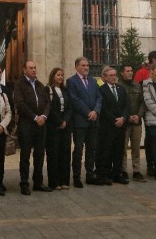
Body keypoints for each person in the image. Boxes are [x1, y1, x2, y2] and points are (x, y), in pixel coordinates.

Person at [12, 60, 52, 194]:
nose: (34, 70)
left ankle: (38, 182)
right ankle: (24, 183)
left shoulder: (40, 85)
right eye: (31, 68)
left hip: (41, 125)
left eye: (35, 68)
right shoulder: (19, 84)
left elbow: (47, 102)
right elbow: (20, 103)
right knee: (25, 155)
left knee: (40, 154)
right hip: (27, 124)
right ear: (25, 70)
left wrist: (44, 116)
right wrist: (35, 117)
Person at [67, 57, 103, 187]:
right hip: (80, 121)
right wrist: (88, 112)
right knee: (78, 149)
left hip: (93, 121)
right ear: (77, 66)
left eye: (87, 65)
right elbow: (74, 99)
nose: (86, 67)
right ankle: (77, 176)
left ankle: (90, 175)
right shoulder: (71, 81)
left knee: (91, 149)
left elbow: (99, 97)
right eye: (83, 65)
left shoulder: (93, 81)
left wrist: (96, 111)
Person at [96, 66, 129, 184]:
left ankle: (117, 173)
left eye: (115, 75)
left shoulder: (121, 89)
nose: (114, 77)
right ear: (104, 77)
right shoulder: (101, 90)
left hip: (121, 125)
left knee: (119, 150)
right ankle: (105, 174)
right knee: (106, 150)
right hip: (108, 126)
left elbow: (126, 105)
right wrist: (114, 120)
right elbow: (103, 108)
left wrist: (123, 118)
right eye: (111, 75)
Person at [45, 66, 72, 190]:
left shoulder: (66, 91)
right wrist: (59, 121)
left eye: (62, 75)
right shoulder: (48, 90)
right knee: (54, 153)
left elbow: (70, 107)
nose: (60, 77)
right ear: (53, 76)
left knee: (65, 153)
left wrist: (65, 120)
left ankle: (64, 180)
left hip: (65, 125)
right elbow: (49, 108)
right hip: (53, 125)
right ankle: (54, 181)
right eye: (58, 75)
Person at [120, 64, 146, 182]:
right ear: (122, 73)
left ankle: (136, 170)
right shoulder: (119, 86)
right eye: (127, 71)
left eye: (131, 71)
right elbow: (119, 104)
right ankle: (123, 170)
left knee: (136, 147)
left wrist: (139, 115)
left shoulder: (137, 85)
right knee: (123, 147)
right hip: (125, 122)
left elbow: (142, 102)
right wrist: (127, 116)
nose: (130, 73)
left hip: (136, 121)